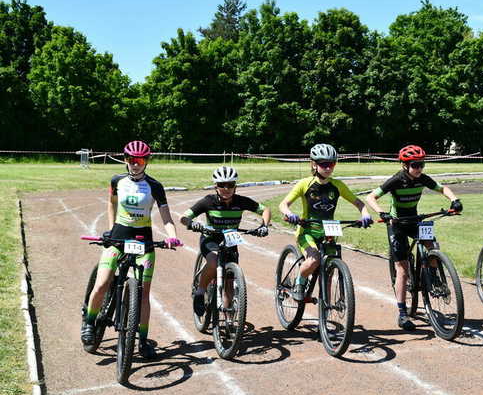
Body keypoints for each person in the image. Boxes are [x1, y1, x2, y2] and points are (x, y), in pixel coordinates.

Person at [81, 140, 182, 359]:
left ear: (146, 161)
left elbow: (166, 217)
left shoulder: (155, 186)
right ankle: (89, 323)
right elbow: (111, 204)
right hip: (118, 237)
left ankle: (143, 341)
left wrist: (172, 236)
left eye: (139, 160)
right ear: (125, 160)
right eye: (130, 160)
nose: (135, 164)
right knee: (102, 282)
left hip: (143, 241)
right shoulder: (116, 180)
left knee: (144, 293)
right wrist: (110, 229)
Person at [366, 144, 462, 331]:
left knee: (432, 244)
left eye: (421, 164)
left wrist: (454, 200)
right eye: (415, 165)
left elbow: (443, 189)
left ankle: (433, 277)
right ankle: (402, 313)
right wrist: (382, 212)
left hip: (415, 220)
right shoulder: (396, 180)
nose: (419, 168)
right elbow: (371, 197)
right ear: (404, 165)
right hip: (397, 224)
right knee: (402, 268)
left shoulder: (422, 179)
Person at [279, 143, 373, 301]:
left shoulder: (337, 185)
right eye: (324, 164)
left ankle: (326, 310)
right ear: (314, 164)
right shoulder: (304, 184)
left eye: (332, 164)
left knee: (329, 269)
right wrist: (290, 214)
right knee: (313, 260)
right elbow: (283, 205)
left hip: (329, 231)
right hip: (307, 232)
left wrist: (365, 215)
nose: (328, 168)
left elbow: (359, 204)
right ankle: (299, 283)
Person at [180, 166, 271, 316]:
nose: (226, 188)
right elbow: (184, 217)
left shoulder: (241, 201)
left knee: (230, 279)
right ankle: (200, 292)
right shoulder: (208, 201)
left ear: (235, 186)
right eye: (222, 185)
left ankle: (230, 319)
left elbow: (265, 210)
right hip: (210, 238)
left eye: (230, 185)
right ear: (216, 186)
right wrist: (191, 223)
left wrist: (264, 226)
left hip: (230, 241)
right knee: (214, 262)